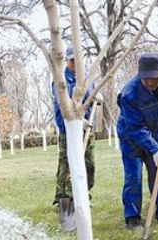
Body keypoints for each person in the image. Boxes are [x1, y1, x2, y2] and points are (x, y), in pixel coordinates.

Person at [117, 53, 158, 231]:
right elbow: (136, 128)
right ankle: (132, 217)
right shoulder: (129, 93)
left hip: (156, 132)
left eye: (153, 78)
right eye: (145, 78)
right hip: (131, 136)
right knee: (133, 176)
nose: (149, 83)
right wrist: (154, 149)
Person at [52, 46, 96, 205]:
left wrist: (96, 95)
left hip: (87, 128)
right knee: (67, 163)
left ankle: (85, 195)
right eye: (72, 61)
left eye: (78, 61)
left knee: (89, 163)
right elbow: (65, 105)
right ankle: (64, 198)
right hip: (68, 128)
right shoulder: (60, 81)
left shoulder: (87, 78)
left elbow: (91, 97)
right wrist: (77, 121)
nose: (75, 64)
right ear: (67, 61)